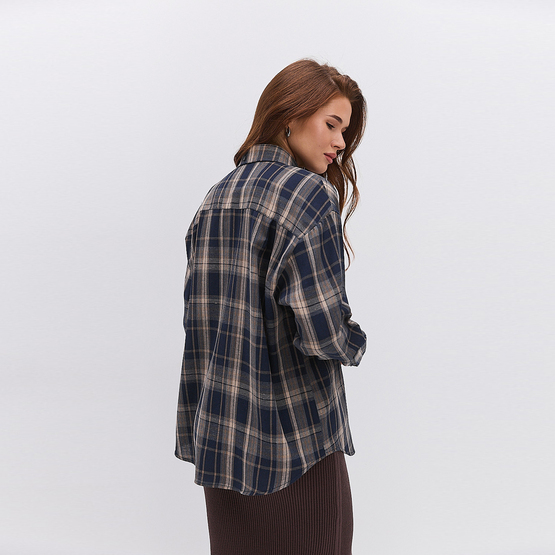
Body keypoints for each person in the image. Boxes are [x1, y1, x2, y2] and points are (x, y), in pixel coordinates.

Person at [175, 59, 368, 555]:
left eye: (344, 131)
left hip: (222, 439)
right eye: (332, 124)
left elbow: (198, 320)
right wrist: (355, 341)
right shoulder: (308, 195)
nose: (340, 142)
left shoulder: (216, 197)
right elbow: (322, 333)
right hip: (295, 443)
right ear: (290, 115)